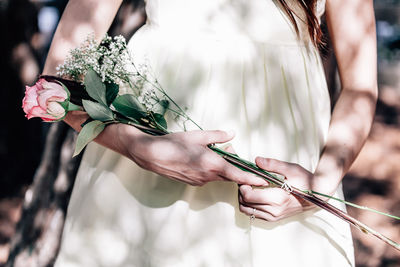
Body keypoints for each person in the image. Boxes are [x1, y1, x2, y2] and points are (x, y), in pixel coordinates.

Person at [43, 0, 377, 266]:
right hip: (137, 195)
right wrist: (139, 148)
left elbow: (360, 88)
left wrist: (318, 185)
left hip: (281, 204)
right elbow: (56, 85)